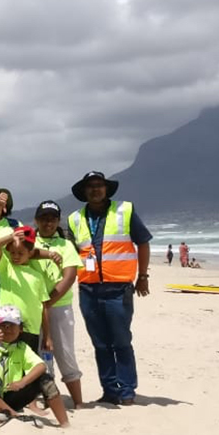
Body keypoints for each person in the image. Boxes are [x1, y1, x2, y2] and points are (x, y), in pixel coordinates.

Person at [67, 170, 152, 406]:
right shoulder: (74, 219)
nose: (95, 189)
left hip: (118, 287)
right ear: (84, 192)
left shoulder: (125, 211)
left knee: (121, 341)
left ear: (106, 189)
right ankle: (109, 389)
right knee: (101, 343)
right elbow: (72, 253)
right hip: (88, 289)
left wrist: (143, 276)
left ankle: (126, 391)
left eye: (99, 185)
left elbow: (143, 242)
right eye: (91, 186)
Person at [0, 306, 69, 427]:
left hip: (10, 396)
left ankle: (65, 423)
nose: (7, 329)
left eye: (12, 325)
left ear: (20, 328)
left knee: (45, 379)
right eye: (3, 325)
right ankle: (17, 418)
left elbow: (41, 366)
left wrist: (22, 382)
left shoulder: (22, 348)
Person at [34, 201, 85, 408]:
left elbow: (69, 276)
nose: (48, 223)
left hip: (58, 306)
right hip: (32, 306)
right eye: (44, 218)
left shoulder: (65, 245)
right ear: (37, 220)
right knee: (40, 353)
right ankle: (49, 397)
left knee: (64, 351)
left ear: (58, 221)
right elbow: (23, 254)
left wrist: (48, 302)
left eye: (53, 219)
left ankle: (79, 402)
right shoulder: (30, 241)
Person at [0, 226, 53, 353]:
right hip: (7, 327)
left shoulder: (38, 277)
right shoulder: (6, 268)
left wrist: (47, 336)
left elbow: (43, 307)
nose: (15, 256)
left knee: (29, 366)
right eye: (12, 252)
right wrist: (11, 237)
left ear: (30, 253)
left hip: (31, 330)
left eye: (20, 253)